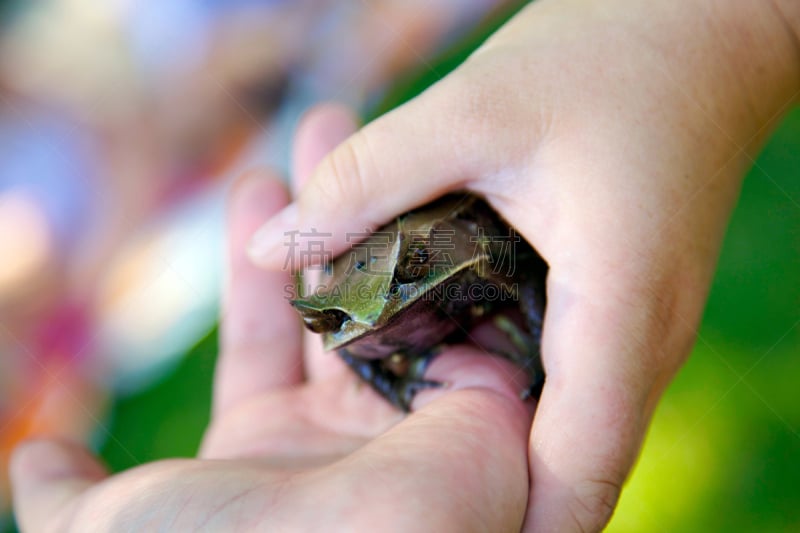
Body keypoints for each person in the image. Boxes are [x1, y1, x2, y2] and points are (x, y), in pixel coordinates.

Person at [12, 0, 799, 531]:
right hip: (385, 304)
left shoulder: (475, 256)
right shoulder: (345, 323)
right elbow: (344, 319)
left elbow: (493, 263)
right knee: (348, 303)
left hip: (450, 261)